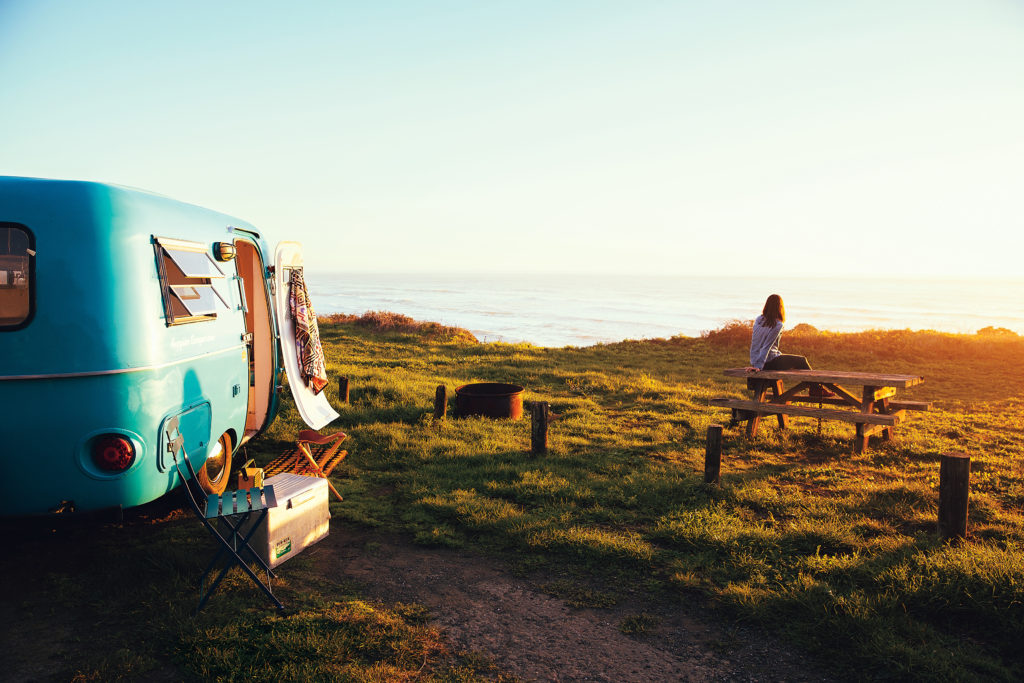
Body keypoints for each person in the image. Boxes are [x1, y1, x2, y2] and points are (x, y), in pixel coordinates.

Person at [744, 294, 811, 372]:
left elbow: (755, 343)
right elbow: (766, 347)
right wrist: (758, 366)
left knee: (782, 356)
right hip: (768, 363)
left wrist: (755, 363)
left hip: (755, 360)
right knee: (802, 360)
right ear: (780, 307)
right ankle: (816, 383)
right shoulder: (778, 324)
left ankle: (814, 383)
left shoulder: (759, 319)